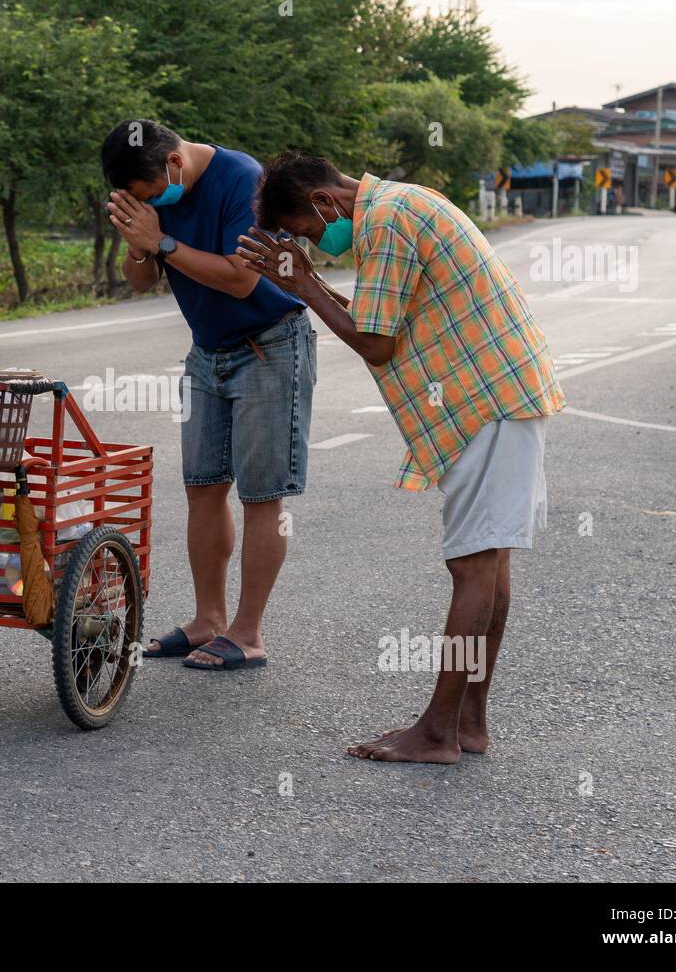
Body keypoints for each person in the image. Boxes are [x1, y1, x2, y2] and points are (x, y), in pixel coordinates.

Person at [239, 153, 563, 761]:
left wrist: (303, 286)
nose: (318, 245)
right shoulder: (404, 202)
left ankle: (439, 732)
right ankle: (468, 722)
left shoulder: (384, 222)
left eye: (310, 232)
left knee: (472, 568)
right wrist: (307, 284)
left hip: (484, 404)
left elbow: (376, 343)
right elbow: (378, 316)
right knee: (489, 563)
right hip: (502, 396)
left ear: (324, 203)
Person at [101, 120, 317, 671]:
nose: (154, 204)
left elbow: (241, 279)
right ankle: (208, 620)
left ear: (173, 164)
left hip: (268, 346)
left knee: (262, 496)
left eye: (151, 195)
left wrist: (162, 241)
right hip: (207, 352)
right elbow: (141, 281)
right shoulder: (155, 193)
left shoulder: (242, 179)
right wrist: (138, 247)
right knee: (202, 486)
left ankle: (247, 634)